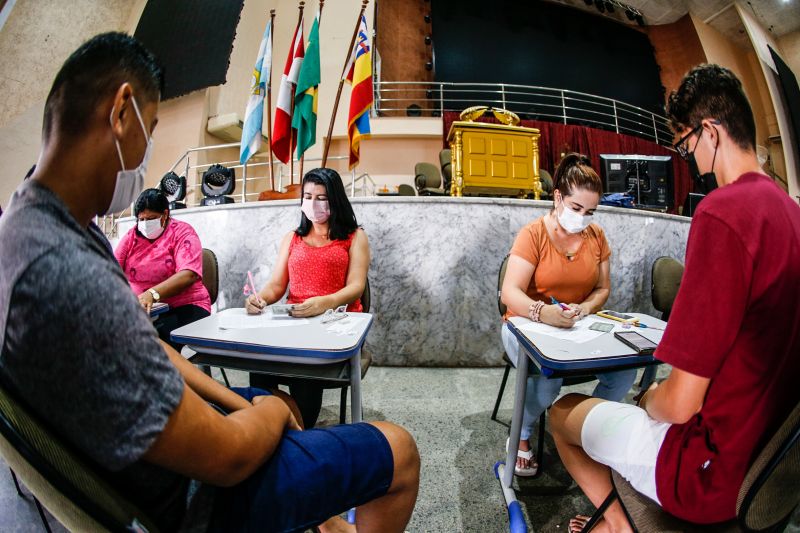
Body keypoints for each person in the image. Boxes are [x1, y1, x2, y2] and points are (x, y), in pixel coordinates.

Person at [0, 32, 419, 533]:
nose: (147, 151)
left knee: (278, 401)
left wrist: (242, 403)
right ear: (120, 112)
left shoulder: (32, 227)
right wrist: (263, 409)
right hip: (188, 500)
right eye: (149, 129)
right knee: (399, 449)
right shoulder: (68, 272)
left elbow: (153, 354)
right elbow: (227, 458)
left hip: (127, 459)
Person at [550, 64, 800, 533]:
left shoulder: (724, 213)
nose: (690, 160)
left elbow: (681, 405)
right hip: (770, 469)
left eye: (685, 145)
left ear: (710, 132)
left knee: (562, 413)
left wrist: (647, 401)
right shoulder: (792, 213)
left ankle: (620, 525)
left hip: (709, 471)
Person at [500, 153, 636, 476]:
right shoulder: (533, 234)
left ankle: (585, 429)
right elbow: (510, 293)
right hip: (525, 324)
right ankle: (519, 433)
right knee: (550, 377)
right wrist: (542, 312)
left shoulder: (597, 236)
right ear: (558, 197)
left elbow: (603, 289)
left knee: (623, 374)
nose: (583, 218)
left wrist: (585, 307)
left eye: (590, 211)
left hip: (575, 326)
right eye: (576, 208)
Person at [246, 167, 369, 428]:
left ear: (335, 200)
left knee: (304, 367)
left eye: (321, 198)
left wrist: (324, 302)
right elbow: (276, 286)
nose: (313, 204)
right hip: (296, 319)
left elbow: (356, 287)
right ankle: (268, 423)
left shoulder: (355, 237)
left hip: (334, 320)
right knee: (260, 363)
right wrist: (261, 299)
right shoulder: (292, 238)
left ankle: (301, 428)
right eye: (308, 196)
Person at [115, 188, 211, 350]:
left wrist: (152, 294)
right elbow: (111, 268)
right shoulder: (132, 237)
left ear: (165, 214)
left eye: (151, 218)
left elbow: (189, 274)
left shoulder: (182, 233)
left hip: (185, 306)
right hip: (144, 309)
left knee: (152, 342)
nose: (145, 224)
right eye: (142, 219)